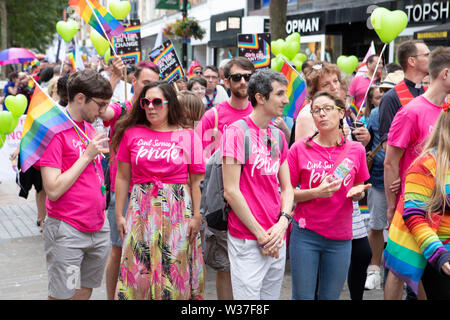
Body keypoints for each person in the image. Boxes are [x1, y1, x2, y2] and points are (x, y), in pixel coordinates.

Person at [111, 81, 205, 300]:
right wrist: (118, 216)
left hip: (178, 212)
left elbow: (197, 181)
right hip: (141, 211)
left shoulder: (189, 136)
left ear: (169, 103)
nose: (150, 107)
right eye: (146, 102)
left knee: (174, 271)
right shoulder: (131, 133)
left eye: (156, 102)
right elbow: (123, 177)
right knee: (138, 270)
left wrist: (197, 216)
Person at [288, 91, 371, 300]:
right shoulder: (299, 148)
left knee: (330, 297)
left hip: (341, 236)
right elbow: (286, 194)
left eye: (327, 109)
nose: (321, 115)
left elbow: (359, 187)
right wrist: (316, 192)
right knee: (303, 297)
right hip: (306, 234)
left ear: (341, 112)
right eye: (316, 110)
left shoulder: (356, 150)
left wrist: (357, 194)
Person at [39, 69, 113, 300]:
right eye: (100, 105)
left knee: (85, 290)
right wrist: (87, 156)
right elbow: (52, 189)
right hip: (68, 228)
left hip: (98, 225)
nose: (103, 111)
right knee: (63, 294)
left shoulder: (90, 128)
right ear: (80, 98)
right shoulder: (54, 131)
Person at [383, 46, 450, 300]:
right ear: (445, 74)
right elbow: (391, 162)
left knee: (429, 272)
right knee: (401, 268)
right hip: (413, 207)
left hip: (443, 210)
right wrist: (392, 207)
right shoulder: (411, 111)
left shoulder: (447, 109)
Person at [222, 68, 294, 300]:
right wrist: (261, 236)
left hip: (276, 235)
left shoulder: (278, 135)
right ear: (261, 98)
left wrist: (282, 223)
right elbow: (231, 192)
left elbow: (287, 188)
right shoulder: (235, 133)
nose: (286, 99)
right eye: (280, 94)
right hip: (248, 238)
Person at [99, 57, 160, 300]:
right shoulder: (122, 109)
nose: (149, 88)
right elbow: (103, 111)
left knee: (149, 249)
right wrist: (114, 78)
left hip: (152, 191)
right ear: (133, 81)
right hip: (122, 191)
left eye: (155, 83)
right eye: (145, 82)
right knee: (118, 249)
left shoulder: (157, 112)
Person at [195, 56, 255, 300]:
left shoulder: (262, 114)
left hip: (255, 201)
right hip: (224, 204)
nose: (243, 82)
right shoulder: (214, 116)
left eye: (248, 77)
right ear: (226, 82)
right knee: (225, 268)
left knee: (252, 268)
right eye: (236, 77)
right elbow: (200, 165)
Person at [364, 78, 399, 291]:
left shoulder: (410, 109)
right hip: (378, 179)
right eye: (383, 90)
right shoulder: (375, 115)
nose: (386, 95)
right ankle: (375, 269)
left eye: (390, 90)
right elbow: (369, 144)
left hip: (403, 180)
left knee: (402, 227)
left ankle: (397, 273)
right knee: (376, 225)